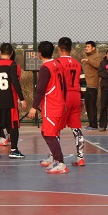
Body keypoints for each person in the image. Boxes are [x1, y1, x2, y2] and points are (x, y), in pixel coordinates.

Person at [28, 38, 84, 174]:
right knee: (71, 129)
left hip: (54, 102)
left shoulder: (49, 66)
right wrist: (77, 99)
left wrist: (34, 107)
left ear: (40, 53)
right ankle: (78, 157)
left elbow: (41, 90)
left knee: (52, 132)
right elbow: (75, 82)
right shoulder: (66, 64)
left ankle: (58, 161)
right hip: (71, 97)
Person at [0, 43, 27, 159]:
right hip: (10, 99)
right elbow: (15, 82)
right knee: (14, 125)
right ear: (11, 53)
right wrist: (22, 98)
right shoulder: (12, 64)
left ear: (0, 52)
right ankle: (14, 150)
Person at [81, 40, 102, 130]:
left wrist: (88, 60)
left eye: (88, 47)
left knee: (92, 105)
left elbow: (98, 65)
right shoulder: (87, 57)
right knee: (87, 105)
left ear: (93, 48)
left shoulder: (97, 56)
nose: (86, 48)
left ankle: (94, 125)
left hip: (92, 84)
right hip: (86, 84)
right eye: (86, 47)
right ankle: (91, 123)